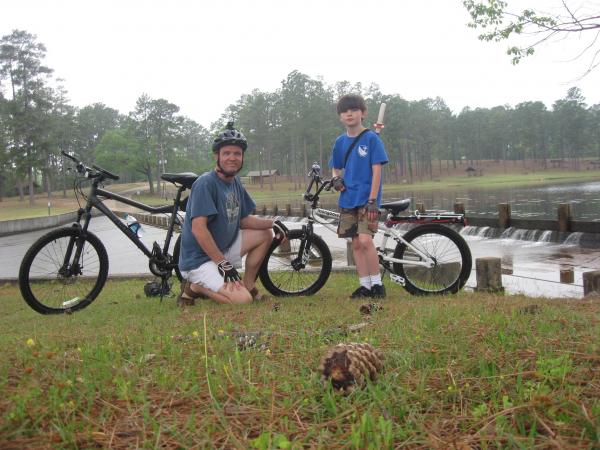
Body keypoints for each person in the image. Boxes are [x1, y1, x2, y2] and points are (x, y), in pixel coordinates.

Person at [177, 121, 288, 305]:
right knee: (242, 301)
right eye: (226, 153)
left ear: (242, 157)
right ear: (217, 156)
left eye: (237, 154)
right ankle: (193, 286)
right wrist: (223, 264)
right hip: (198, 259)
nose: (232, 158)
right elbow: (199, 230)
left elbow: (243, 220)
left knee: (264, 233)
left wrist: (273, 223)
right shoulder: (205, 184)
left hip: (222, 248)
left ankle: (249, 285)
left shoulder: (235, 182)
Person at [328, 94, 389, 299]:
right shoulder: (340, 142)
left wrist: (373, 200)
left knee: (365, 241)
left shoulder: (371, 139)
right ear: (340, 117)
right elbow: (336, 168)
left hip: (367, 199)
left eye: (354, 110)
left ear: (362, 113)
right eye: (345, 111)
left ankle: (378, 285)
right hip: (348, 199)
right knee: (354, 243)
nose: (349, 114)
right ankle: (365, 286)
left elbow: (377, 170)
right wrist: (336, 180)